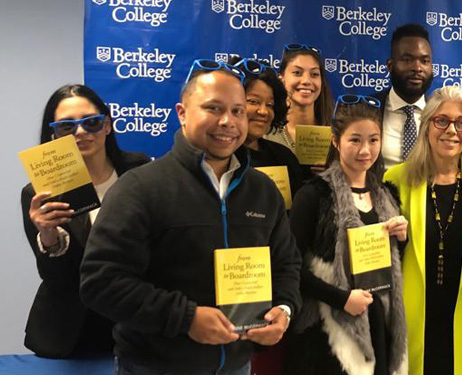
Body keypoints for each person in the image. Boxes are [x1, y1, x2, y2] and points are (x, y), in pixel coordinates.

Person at [80, 60, 302, 375]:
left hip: (237, 366)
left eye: (238, 111)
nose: (228, 121)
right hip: (155, 367)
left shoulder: (263, 191)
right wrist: (185, 318)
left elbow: (286, 264)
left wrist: (284, 309)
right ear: (182, 113)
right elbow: (100, 282)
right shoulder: (140, 187)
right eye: (213, 108)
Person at [20, 84, 150, 359]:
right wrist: (48, 236)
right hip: (69, 330)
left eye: (91, 122)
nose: (81, 132)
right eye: (67, 126)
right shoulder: (40, 193)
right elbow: (56, 278)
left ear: (107, 126)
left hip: (134, 321)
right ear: (53, 134)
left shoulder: (140, 172)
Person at [285, 94, 409, 375]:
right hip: (325, 335)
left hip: (377, 326)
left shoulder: (388, 196)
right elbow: (289, 267)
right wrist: (341, 299)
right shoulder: (313, 195)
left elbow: (391, 267)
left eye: (373, 139)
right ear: (335, 140)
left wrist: (402, 239)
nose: (365, 149)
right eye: (355, 140)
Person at [384, 86, 462, 375]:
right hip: (412, 316)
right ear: (426, 126)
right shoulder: (396, 179)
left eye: (461, 123)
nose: (451, 130)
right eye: (441, 120)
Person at [232, 57, 306, 197]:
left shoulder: (284, 157)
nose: (263, 111)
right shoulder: (218, 159)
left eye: (270, 105)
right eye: (253, 101)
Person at [373, 23, 435, 169]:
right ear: (390, 65)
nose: (417, 68)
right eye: (407, 60)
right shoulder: (367, 109)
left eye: (425, 61)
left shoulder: (440, 113)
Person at [266, 43, 333, 154]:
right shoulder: (266, 133)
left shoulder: (336, 136)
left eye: (314, 74)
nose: (306, 81)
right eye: (297, 73)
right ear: (281, 79)